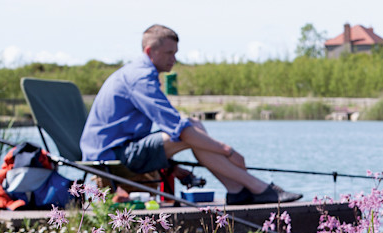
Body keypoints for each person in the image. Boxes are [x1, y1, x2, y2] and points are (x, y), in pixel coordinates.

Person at [80, 24, 302, 205]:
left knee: (193, 126)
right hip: (113, 156)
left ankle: (238, 190)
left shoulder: (137, 72)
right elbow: (179, 129)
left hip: (120, 149)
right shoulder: (140, 78)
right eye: (169, 53)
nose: (173, 59)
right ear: (150, 51)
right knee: (191, 131)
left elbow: (178, 125)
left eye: (175, 53)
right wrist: (228, 150)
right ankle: (257, 188)